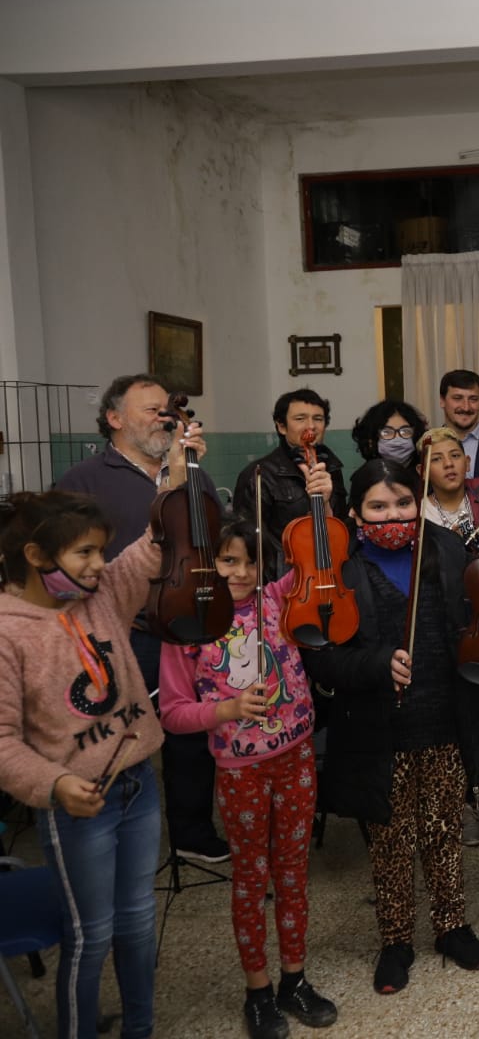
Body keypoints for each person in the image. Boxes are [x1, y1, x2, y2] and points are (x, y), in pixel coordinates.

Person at [0, 413, 200, 1039]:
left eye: (98, 551)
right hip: (79, 805)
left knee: (138, 921)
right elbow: (3, 741)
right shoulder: (9, 632)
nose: (96, 564)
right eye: (83, 552)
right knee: (92, 935)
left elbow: (150, 547)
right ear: (35, 556)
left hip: (138, 786)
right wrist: (55, 785)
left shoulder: (101, 592)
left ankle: (139, 1028)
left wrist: (169, 486)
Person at [300, 459, 479, 994]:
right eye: (378, 507)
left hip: (445, 720)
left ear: (419, 501)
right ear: (355, 512)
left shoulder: (449, 549)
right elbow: (320, 657)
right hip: (376, 731)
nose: (394, 516)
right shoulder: (339, 566)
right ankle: (396, 939)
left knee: (443, 832)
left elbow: (475, 621)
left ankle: (453, 926)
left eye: (404, 504)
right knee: (389, 840)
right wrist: (374, 663)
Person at [158, 504, 338, 1039]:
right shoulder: (188, 620)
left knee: (292, 873)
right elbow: (172, 712)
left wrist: (319, 497)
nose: (237, 573)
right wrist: (227, 711)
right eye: (225, 562)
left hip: (296, 755)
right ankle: (257, 989)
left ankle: (294, 979)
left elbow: (320, 559)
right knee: (251, 878)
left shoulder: (277, 598)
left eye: (247, 562)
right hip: (241, 769)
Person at [56, 373, 229, 865]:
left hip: (189, 618)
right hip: (125, 629)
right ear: (114, 419)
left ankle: (192, 831)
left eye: (167, 411)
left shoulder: (188, 468)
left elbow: (211, 531)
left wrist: (190, 473)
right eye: (152, 410)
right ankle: (109, 835)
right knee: (117, 734)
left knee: (189, 732)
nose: (165, 418)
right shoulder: (84, 479)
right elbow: (67, 560)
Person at [232, 388, 348, 581]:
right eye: (300, 419)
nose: (311, 426)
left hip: (328, 572)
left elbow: (340, 528)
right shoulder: (258, 474)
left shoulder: (331, 469)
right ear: (281, 426)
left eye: (318, 419)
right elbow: (249, 540)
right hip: (281, 581)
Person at [417, 427, 479, 553]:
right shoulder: (419, 513)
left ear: (467, 463)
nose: (448, 464)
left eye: (455, 455)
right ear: (423, 471)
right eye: (436, 459)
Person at [351, 399, 428, 471]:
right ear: (371, 440)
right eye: (387, 432)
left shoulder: (426, 475)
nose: (397, 439)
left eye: (405, 431)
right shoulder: (364, 479)